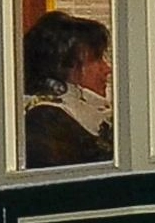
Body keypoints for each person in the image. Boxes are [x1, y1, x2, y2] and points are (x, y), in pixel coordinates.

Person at [21, 11, 113, 169]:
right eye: (96, 59)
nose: (107, 68)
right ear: (64, 65)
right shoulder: (45, 120)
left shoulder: (94, 114)